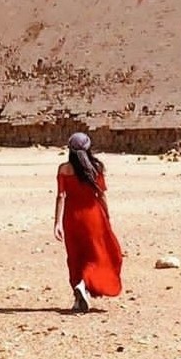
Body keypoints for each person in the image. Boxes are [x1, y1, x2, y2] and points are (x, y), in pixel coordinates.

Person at [53, 131, 123, 312]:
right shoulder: (96, 168)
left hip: (71, 217)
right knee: (98, 255)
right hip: (93, 216)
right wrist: (107, 216)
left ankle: (78, 297)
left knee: (76, 256)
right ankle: (84, 284)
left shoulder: (63, 169)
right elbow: (101, 195)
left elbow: (61, 196)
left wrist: (57, 223)